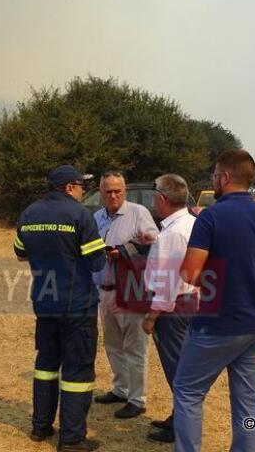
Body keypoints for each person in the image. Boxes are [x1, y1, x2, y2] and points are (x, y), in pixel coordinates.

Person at [173, 150, 255, 452]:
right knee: (247, 400)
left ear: (224, 177)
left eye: (214, 175)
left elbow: (189, 272)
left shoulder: (211, 216)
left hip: (218, 324)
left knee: (187, 392)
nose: (213, 179)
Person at [14, 165, 106, 452]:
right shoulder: (81, 215)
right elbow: (96, 262)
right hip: (77, 305)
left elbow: (20, 253)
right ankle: (72, 439)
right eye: (81, 186)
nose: (83, 191)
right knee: (77, 372)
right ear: (69, 187)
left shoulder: (29, 213)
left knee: (46, 366)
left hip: (44, 302)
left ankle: (40, 427)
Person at [92, 172, 157, 419]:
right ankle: (121, 389)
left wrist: (126, 249)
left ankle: (137, 399)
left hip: (130, 292)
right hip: (104, 291)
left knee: (135, 347)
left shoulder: (138, 213)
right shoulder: (96, 217)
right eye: (108, 191)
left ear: (125, 191)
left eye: (117, 190)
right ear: (101, 192)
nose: (113, 195)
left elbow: (154, 242)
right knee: (113, 344)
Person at [138, 174, 196, 443]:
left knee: (177, 370)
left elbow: (168, 281)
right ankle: (179, 417)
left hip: (173, 310)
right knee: (184, 366)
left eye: (154, 196)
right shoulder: (190, 224)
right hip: (190, 304)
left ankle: (181, 427)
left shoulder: (172, 233)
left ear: (162, 199)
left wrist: (152, 316)